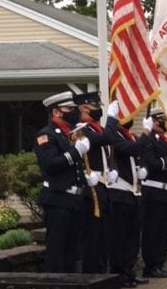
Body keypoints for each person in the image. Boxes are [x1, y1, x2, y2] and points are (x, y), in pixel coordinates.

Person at [33, 91, 88, 274]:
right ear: (56, 112)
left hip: (74, 199)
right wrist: (75, 152)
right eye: (68, 109)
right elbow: (51, 165)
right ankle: (55, 288)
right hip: (57, 198)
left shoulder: (68, 135)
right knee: (57, 249)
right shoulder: (46, 135)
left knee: (72, 250)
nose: (73, 112)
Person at [74, 92, 116, 274]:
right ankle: (91, 275)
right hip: (90, 189)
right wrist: (112, 118)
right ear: (84, 108)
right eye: (95, 106)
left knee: (105, 236)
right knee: (92, 237)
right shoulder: (81, 130)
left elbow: (107, 149)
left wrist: (113, 170)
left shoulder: (96, 129)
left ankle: (102, 274)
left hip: (104, 186)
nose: (99, 110)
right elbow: (108, 138)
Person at [139, 103, 167, 280]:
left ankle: (159, 262)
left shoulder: (165, 140)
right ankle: (151, 265)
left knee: (162, 230)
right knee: (152, 230)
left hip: (165, 192)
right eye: (164, 121)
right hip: (152, 191)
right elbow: (152, 164)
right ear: (155, 122)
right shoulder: (148, 139)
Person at [107, 114, 148, 288]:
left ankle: (129, 271)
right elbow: (130, 150)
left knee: (132, 237)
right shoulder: (115, 136)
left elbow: (139, 154)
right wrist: (146, 132)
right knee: (120, 237)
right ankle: (119, 274)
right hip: (120, 191)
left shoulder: (130, 135)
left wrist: (143, 169)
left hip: (134, 192)